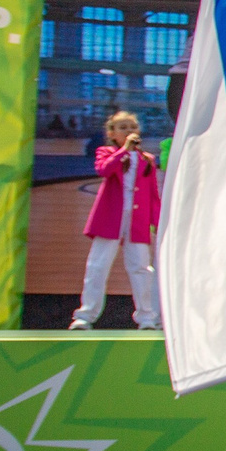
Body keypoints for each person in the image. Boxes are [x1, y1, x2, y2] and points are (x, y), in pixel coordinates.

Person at [72, 111, 161, 331]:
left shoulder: (146, 160)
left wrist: (158, 223)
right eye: (123, 128)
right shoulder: (107, 153)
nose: (129, 131)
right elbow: (104, 170)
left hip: (136, 220)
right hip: (110, 219)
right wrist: (124, 151)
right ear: (112, 133)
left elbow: (152, 195)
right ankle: (86, 315)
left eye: (132, 127)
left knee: (141, 267)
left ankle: (146, 317)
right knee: (98, 265)